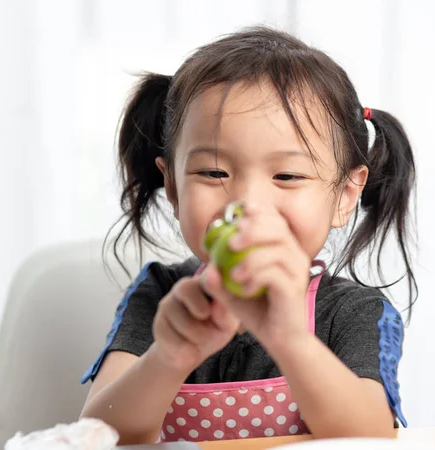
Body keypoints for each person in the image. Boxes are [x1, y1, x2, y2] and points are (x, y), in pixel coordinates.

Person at [79, 26, 417, 445]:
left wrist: (290, 339)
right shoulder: (159, 295)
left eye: (287, 175)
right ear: (172, 187)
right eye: (214, 172)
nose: (248, 203)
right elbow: (97, 435)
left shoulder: (355, 312)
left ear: (346, 195)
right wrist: (168, 357)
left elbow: (371, 437)